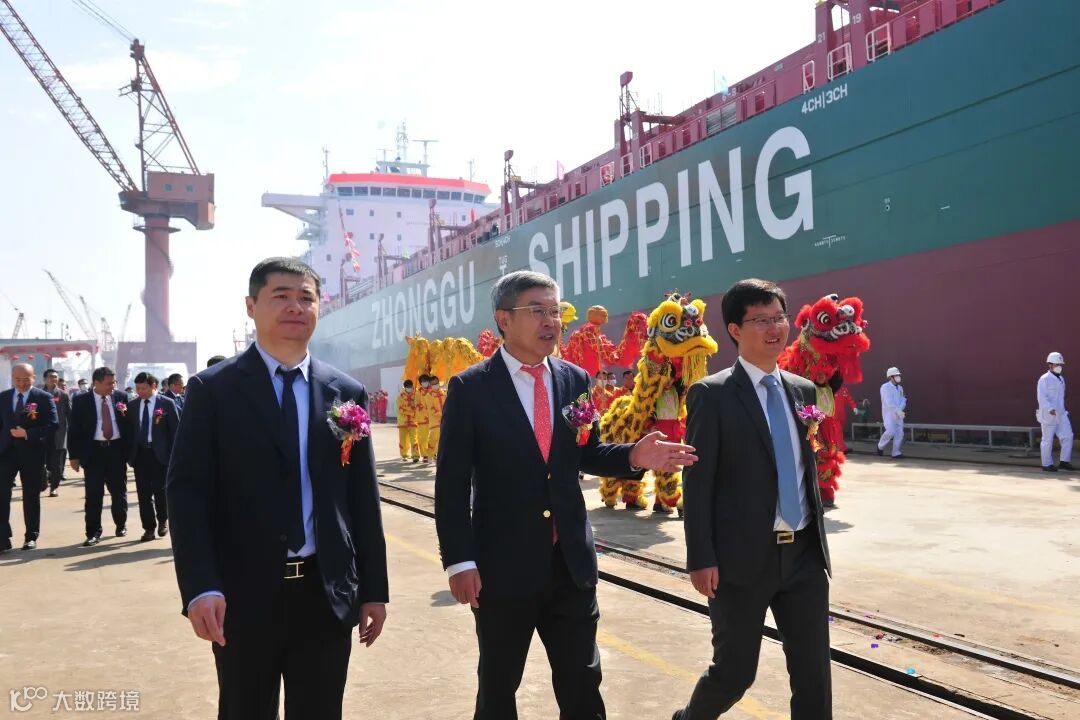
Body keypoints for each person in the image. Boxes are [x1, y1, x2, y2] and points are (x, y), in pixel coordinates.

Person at [435, 270, 697, 720]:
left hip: (570, 564)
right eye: (537, 310)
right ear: (503, 319)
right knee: (498, 686)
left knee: (582, 685)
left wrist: (634, 455)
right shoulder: (471, 388)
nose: (551, 321)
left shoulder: (573, 379)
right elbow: (451, 484)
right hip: (502, 569)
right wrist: (460, 562)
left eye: (555, 311)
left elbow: (587, 451)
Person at [167, 257, 388, 719]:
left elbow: (361, 499)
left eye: (306, 298)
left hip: (325, 594)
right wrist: (200, 587)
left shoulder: (345, 392)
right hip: (242, 594)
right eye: (281, 296)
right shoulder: (213, 390)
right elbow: (187, 494)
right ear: (251, 306)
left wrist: (373, 588)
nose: (295, 307)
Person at [676, 278, 832, 720]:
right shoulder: (712, 394)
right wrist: (700, 557)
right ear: (734, 329)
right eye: (761, 320)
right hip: (740, 560)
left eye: (779, 317)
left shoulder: (802, 390)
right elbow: (698, 483)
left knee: (814, 673)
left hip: (803, 554)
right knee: (734, 672)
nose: (774, 328)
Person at [67, 366, 132, 546]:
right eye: (109, 383)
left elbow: (128, 425)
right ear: (96, 383)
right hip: (93, 452)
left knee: (118, 491)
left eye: (114, 383)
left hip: (116, 450)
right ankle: (93, 532)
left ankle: (121, 524)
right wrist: (74, 456)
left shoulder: (121, 397)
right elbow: (74, 430)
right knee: (94, 494)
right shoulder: (81, 401)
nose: (113, 386)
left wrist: (129, 452)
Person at [0, 364, 59, 552]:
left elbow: (53, 425)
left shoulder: (43, 398)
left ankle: (31, 536)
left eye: (26, 379)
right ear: (12, 378)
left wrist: (28, 433)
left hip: (32, 452)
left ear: (34, 378)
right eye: (17, 380)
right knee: (2, 494)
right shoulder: (3, 397)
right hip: (6, 453)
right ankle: (3, 538)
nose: (21, 383)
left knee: (31, 495)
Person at [127, 372, 180, 541]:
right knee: (143, 494)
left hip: (160, 455)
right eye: (138, 388)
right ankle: (148, 528)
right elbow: (130, 431)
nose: (140, 391)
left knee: (160, 491)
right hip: (140, 454)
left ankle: (163, 520)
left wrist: (174, 456)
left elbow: (175, 431)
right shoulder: (133, 405)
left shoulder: (167, 403)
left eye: (143, 388)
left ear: (153, 386)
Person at [1037, 352, 1073, 472]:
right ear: (1050, 365)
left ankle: (1064, 461)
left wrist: (1061, 410)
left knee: (1068, 436)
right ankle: (1047, 464)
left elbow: (1061, 397)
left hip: (1061, 413)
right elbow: (1042, 397)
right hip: (1049, 414)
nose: (1059, 366)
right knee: (1047, 440)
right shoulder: (1044, 379)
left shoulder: (1061, 379)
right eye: (1057, 364)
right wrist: (1049, 409)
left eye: (1060, 364)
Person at [42, 368, 72, 497]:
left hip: (59, 435)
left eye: (55, 377)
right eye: (50, 376)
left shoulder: (63, 395)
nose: (53, 379)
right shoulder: (37, 394)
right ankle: (43, 480)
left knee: (57, 465)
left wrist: (72, 432)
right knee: (40, 462)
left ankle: (54, 487)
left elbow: (70, 415)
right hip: (41, 435)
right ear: (45, 379)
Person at [877, 367, 906, 458]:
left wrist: (901, 409)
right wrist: (897, 410)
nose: (898, 377)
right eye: (896, 375)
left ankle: (896, 452)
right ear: (890, 377)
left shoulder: (900, 388)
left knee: (899, 433)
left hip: (899, 414)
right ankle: (880, 446)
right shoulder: (885, 387)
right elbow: (888, 402)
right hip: (889, 415)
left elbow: (903, 399)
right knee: (891, 431)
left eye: (898, 375)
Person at [396, 379, 419, 461]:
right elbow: (400, 409)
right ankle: (404, 454)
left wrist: (414, 408)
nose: (409, 388)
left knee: (414, 439)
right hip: (402, 422)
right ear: (405, 387)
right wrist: (411, 412)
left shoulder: (416, 395)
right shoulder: (400, 396)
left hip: (413, 421)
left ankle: (415, 455)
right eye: (408, 387)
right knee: (403, 440)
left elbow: (418, 406)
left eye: (410, 387)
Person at [424, 375, 445, 461]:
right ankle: (430, 455)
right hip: (435, 422)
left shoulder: (444, 393)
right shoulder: (428, 396)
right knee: (433, 439)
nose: (435, 385)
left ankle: (439, 456)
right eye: (433, 384)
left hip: (445, 420)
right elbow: (431, 409)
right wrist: (442, 414)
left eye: (436, 383)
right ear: (430, 384)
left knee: (442, 440)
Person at [416, 375, 434, 462]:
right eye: (423, 381)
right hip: (422, 419)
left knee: (433, 437)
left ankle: (433, 453)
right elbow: (417, 404)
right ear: (420, 383)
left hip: (433, 418)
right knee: (422, 438)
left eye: (426, 380)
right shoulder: (418, 392)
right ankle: (425, 455)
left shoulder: (433, 390)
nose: (425, 382)